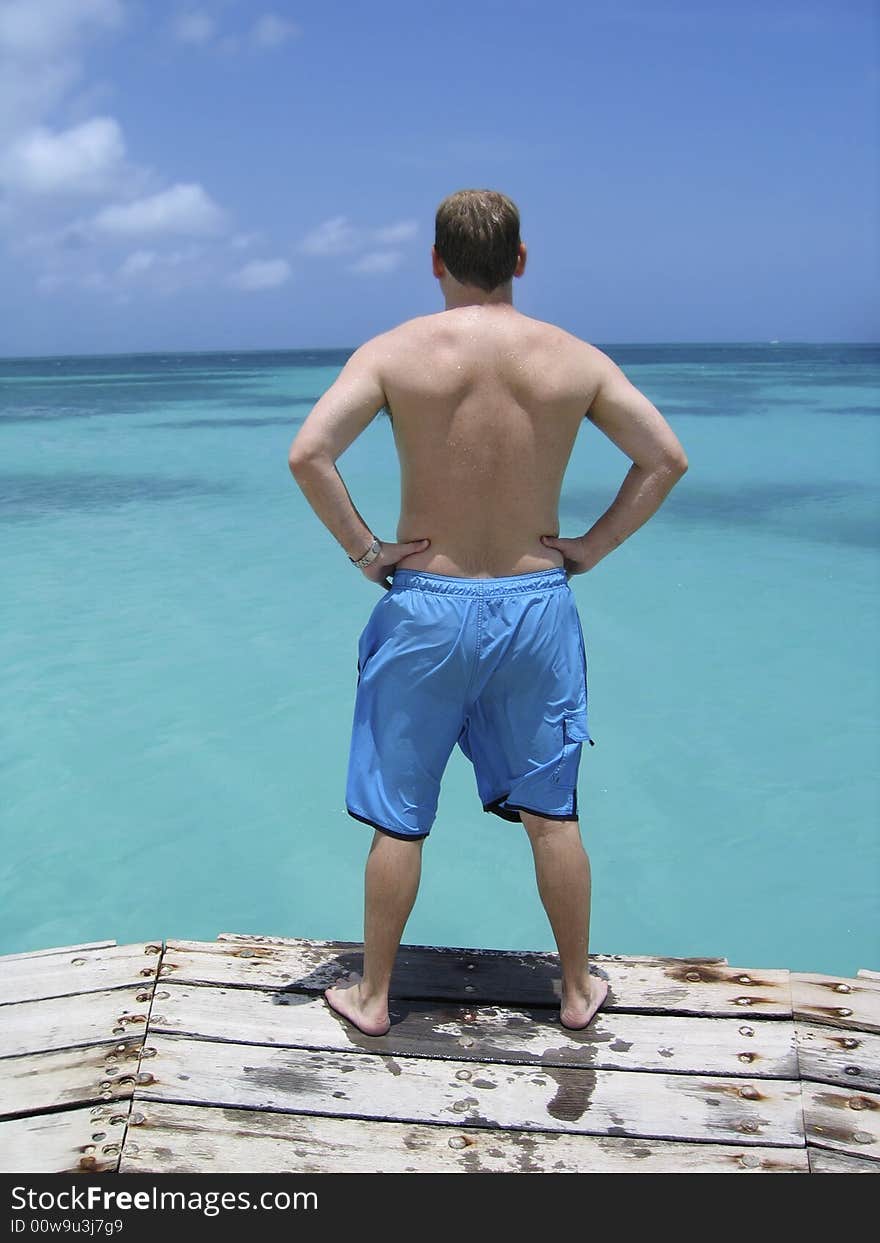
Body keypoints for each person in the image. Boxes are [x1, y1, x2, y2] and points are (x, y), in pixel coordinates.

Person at [288, 188, 688, 1037]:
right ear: (521, 259)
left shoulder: (395, 353)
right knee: (553, 810)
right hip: (535, 604)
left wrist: (367, 551)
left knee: (399, 815)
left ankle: (374, 998)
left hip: (426, 606)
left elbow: (309, 453)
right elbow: (664, 458)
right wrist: (592, 545)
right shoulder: (573, 359)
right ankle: (577, 991)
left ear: (434, 261)